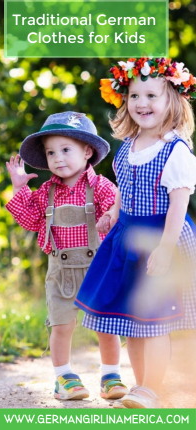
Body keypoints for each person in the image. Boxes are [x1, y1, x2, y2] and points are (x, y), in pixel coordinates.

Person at [74, 58, 196, 408]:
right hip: (126, 238)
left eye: (152, 95)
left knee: (155, 319)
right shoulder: (128, 145)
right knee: (135, 322)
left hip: (159, 238)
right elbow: (123, 190)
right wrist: (112, 213)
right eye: (134, 95)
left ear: (172, 99)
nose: (142, 103)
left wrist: (165, 247)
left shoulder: (175, 151)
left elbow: (179, 205)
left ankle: (153, 388)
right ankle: (143, 386)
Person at [6, 111, 128, 401]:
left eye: (65, 150)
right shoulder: (46, 191)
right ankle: (64, 377)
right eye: (51, 152)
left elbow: (117, 207)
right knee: (61, 325)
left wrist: (110, 216)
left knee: (105, 324)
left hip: (97, 267)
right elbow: (30, 220)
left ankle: (110, 375)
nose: (57, 158)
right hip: (60, 271)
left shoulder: (100, 187)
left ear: (87, 152)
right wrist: (19, 188)